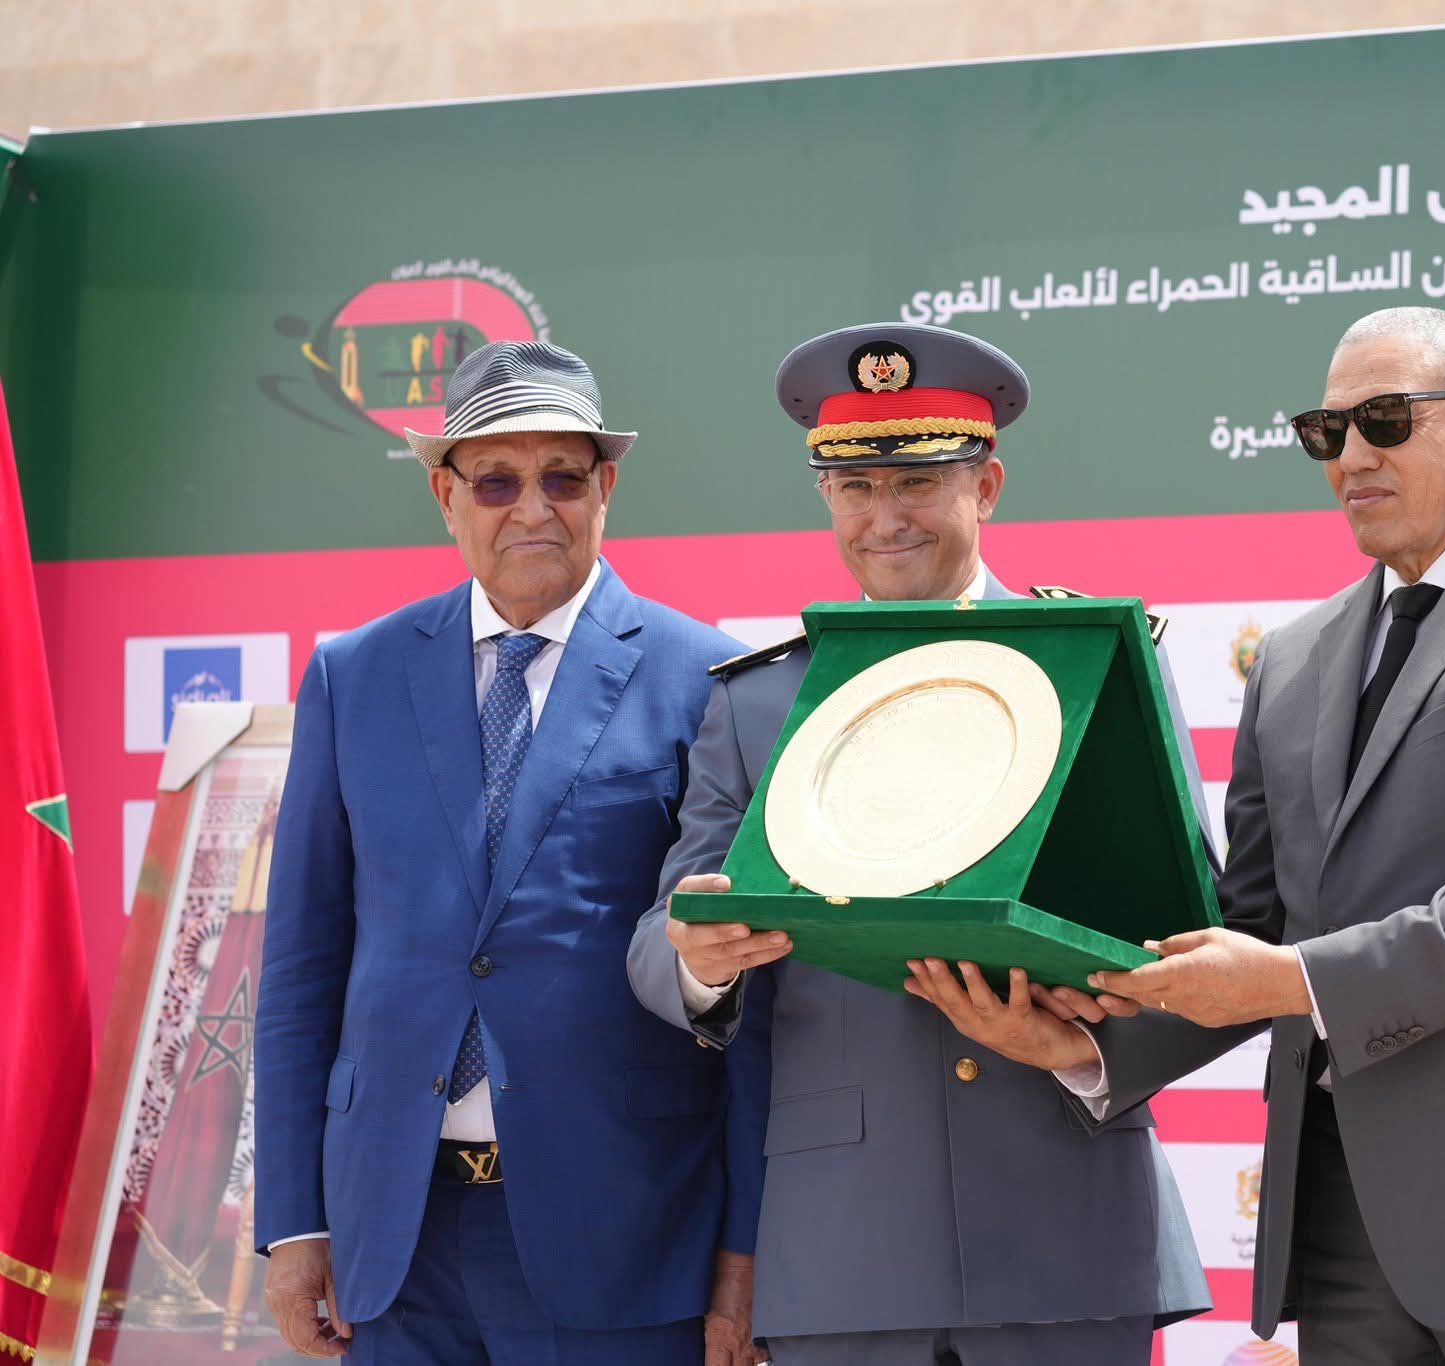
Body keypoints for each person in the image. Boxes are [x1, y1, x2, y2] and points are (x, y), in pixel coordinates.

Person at [921, 306, 1445, 1364]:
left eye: (1385, 420)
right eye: (1326, 430)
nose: (1350, 456)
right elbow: (1253, 924)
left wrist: (1296, 981)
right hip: (1345, 1224)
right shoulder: (1293, 658)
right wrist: (1089, 1045)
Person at [626, 321, 1209, 1366]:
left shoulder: (1099, 660)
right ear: (825, 498)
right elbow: (662, 930)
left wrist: (1086, 1053)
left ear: (987, 486)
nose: (884, 517)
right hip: (848, 1249)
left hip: (1069, 1229)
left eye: (917, 483)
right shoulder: (759, 700)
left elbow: (1198, 927)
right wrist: (698, 959)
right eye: (855, 487)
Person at [254, 341, 768, 1365]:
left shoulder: (712, 678)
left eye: (562, 478)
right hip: (391, 1241)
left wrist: (745, 1250)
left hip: (628, 1239)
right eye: (495, 480)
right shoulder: (352, 676)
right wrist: (294, 1222)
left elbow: (753, 997)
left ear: (605, 488)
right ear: (445, 495)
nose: (532, 508)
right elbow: (302, 970)